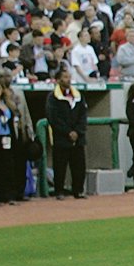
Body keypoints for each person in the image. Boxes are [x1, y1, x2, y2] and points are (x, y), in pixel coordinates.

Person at [45, 68, 88, 198]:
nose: (68, 79)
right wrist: (68, 131)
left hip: (78, 137)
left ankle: (78, 190)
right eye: (64, 77)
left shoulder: (78, 96)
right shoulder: (53, 97)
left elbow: (83, 115)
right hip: (61, 138)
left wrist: (77, 131)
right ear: (58, 80)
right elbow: (53, 117)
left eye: (69, 77)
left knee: (79, 166)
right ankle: (59, 191)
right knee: (60, 166)